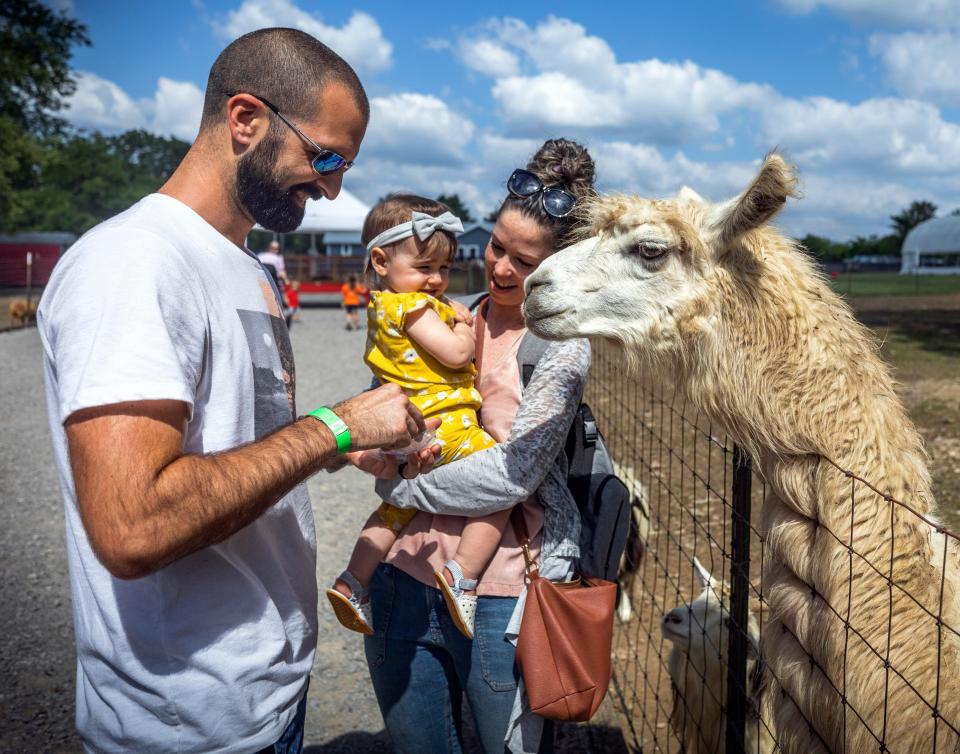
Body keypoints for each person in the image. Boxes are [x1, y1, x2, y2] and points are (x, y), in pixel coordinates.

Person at [36, 28, 438, 754]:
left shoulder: (243, 266)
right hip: (184, 722)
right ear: (246, 119)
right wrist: (334, 427)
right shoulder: (133, 265)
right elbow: (133, 526)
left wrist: (347, 452)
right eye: (324, 158)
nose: (331, 188)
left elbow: (233, 447)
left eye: (343, 167)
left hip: (264, 688)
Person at [366, 139, 596, 754]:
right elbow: (385, 419)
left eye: (524, 262)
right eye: (497, 246)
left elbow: (512, 477)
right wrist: (383, 454)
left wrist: (400, 483)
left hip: (501, 593)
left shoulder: (563, 349)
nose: (499, 269)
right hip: (404, 571)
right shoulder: (449, 316)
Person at [328, 194, 518, 640]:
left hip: (403, 424)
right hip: (444, 423)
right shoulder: (412, 307)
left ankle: (353, 582)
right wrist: (461, 325)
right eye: (425, 267)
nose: (436, 281)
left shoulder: (379, 308)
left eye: (444, 270)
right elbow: (455, 355)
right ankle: (463, 576)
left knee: (395, 507)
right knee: (503, 486)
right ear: (380, 260)